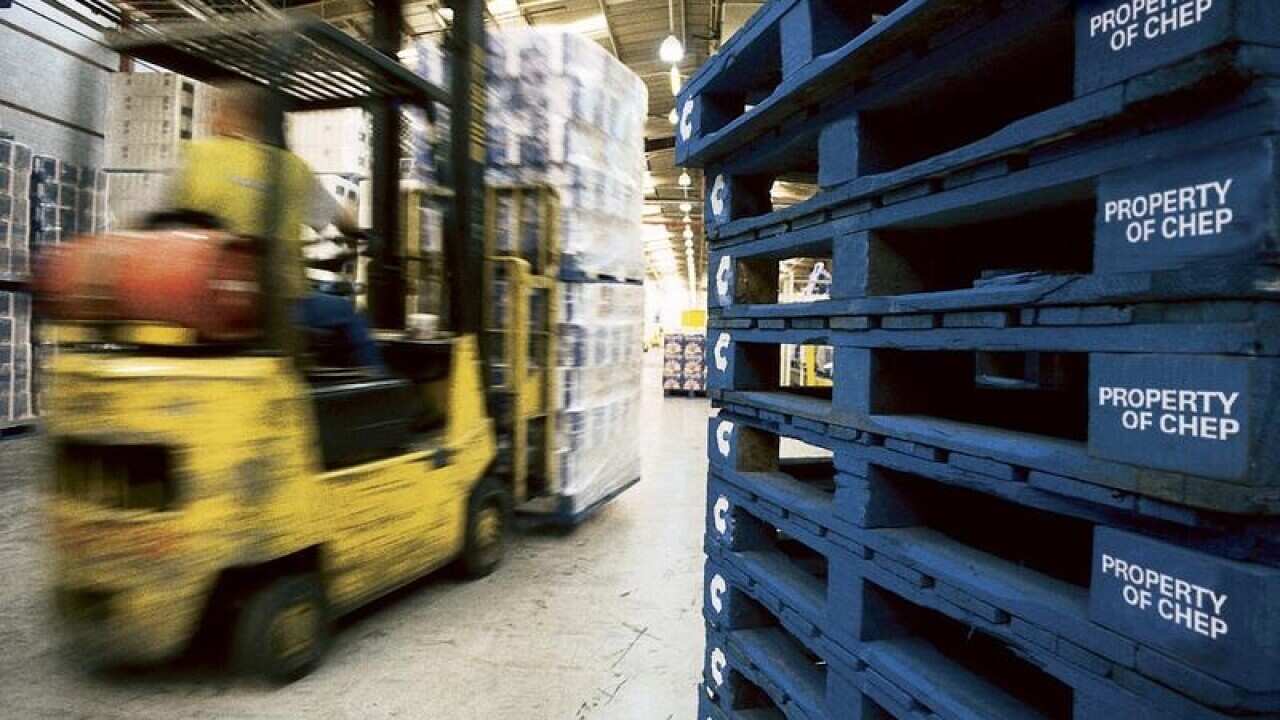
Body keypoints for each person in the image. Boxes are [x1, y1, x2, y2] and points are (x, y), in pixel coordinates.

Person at [166, 80, 383, 368]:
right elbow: (341, 221)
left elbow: (156, 219)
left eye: (216, 111)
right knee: (347, 314)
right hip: (273, 307)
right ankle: (379, 385)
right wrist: (362, 234)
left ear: (229, 116)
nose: (211, 118)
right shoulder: (290, 168)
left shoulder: (194, 157)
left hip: (198, 302)